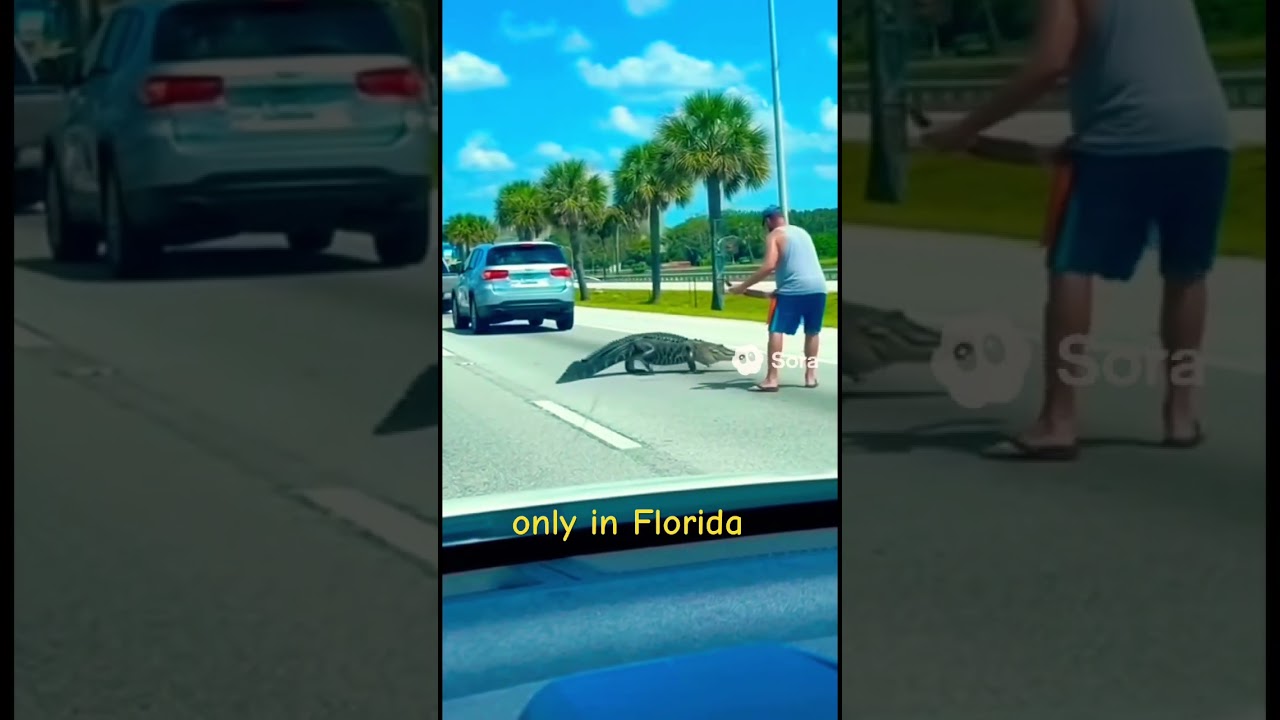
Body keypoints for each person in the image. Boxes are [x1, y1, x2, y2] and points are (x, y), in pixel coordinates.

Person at [921, 0, 1230, 461]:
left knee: (1072, 265)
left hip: (1124, 133)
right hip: (1207, 133)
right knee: (1187, 270)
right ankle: (1180, 416)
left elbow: (1048, 65)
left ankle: (1058, 421)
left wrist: (964, 129)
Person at [727, 206, 829, 391]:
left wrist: (742, 287)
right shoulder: (802, 232)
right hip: (819, 288)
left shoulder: (775, 235)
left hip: (793, 289)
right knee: (812, 332)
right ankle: (810, 377)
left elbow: (768, 266)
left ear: (768, 221)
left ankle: (772, 379)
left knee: (776, 329)